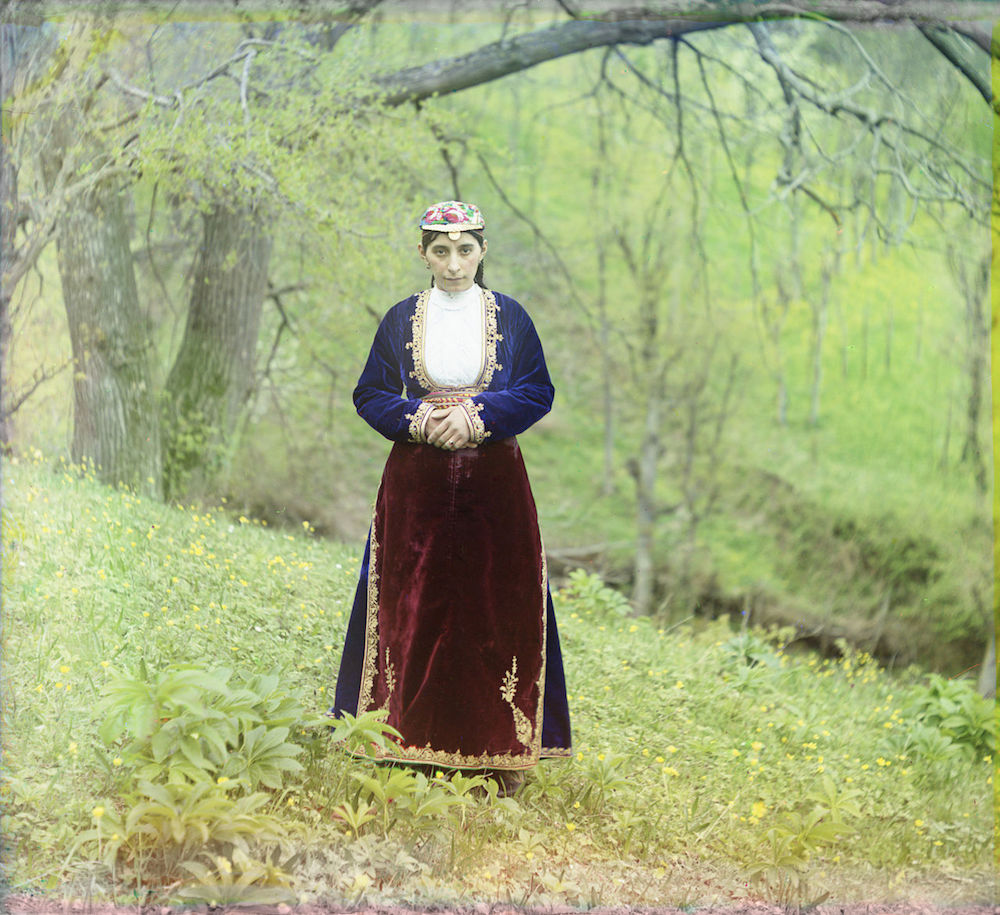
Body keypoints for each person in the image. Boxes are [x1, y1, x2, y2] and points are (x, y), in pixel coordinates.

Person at [331, 200, 571, 793]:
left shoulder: (511, 318)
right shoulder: (398, 320)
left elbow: (537, 391)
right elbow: (369, 394)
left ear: (482, 251)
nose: (454, 263)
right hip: (416, 486)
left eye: (465, 250)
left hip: (495, 484)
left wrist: (478, 416)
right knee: (413, 605)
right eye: (441, 251)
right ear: (423, 254)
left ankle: (499, 752)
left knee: (496, 603)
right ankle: (403, 744)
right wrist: (417, 419)